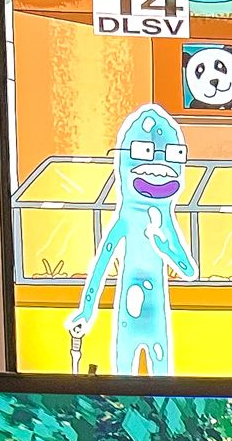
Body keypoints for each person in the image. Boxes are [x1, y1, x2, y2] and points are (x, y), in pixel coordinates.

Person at [66, 103, 198, 374]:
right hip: (127, 319)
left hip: (156, 319)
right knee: (123, 376)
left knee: (162, 379)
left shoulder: (164, 221)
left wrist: (166, 249)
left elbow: (188, 270)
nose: (159, 167)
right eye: (144, 153)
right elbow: (101, 265)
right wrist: (86, 312)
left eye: (173, 155)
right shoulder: (126, 220)